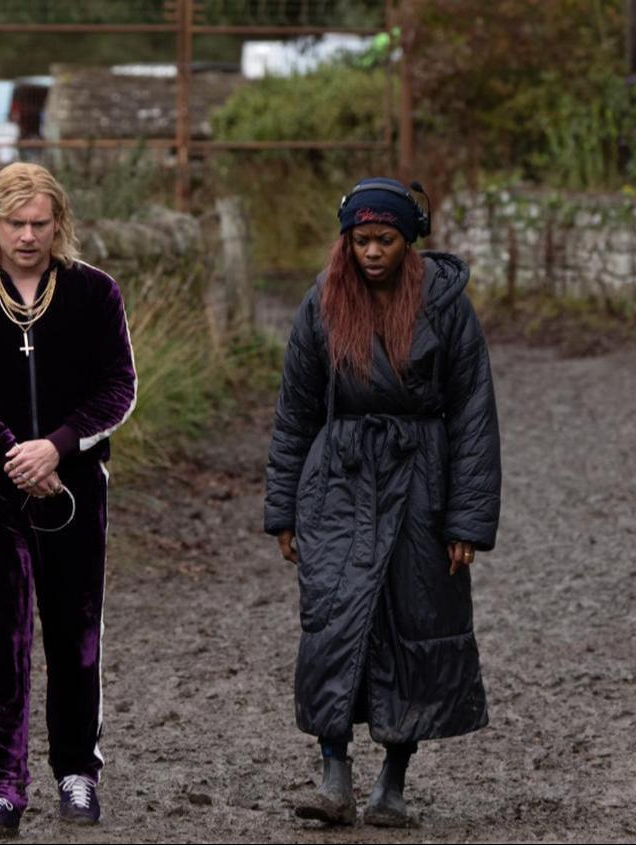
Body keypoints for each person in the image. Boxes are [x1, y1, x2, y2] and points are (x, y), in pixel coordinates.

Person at [264, 177, 501, 827]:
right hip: (338, 480)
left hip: (421, 482)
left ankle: (393, 781)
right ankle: (334, 774)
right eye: (361, 239)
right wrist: (282, 508)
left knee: (412, 624)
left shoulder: (445, 306)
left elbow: (474, 416)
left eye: (385, 239)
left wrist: (466, 521)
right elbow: (295, 413)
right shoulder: (322, 301)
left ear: (408, 241)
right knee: (333, 622)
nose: (372, 252)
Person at [0, 162, 137, 839]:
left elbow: (119, 387)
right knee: (1, 638)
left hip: (74, 488)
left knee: (76, 635)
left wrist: (59, 446)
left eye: (39, 224)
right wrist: (14, 452)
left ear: (59, 224)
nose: (27, 236)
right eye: (14, 223)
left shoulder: (94, 293)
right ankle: (1, 788)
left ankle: (78, 772)